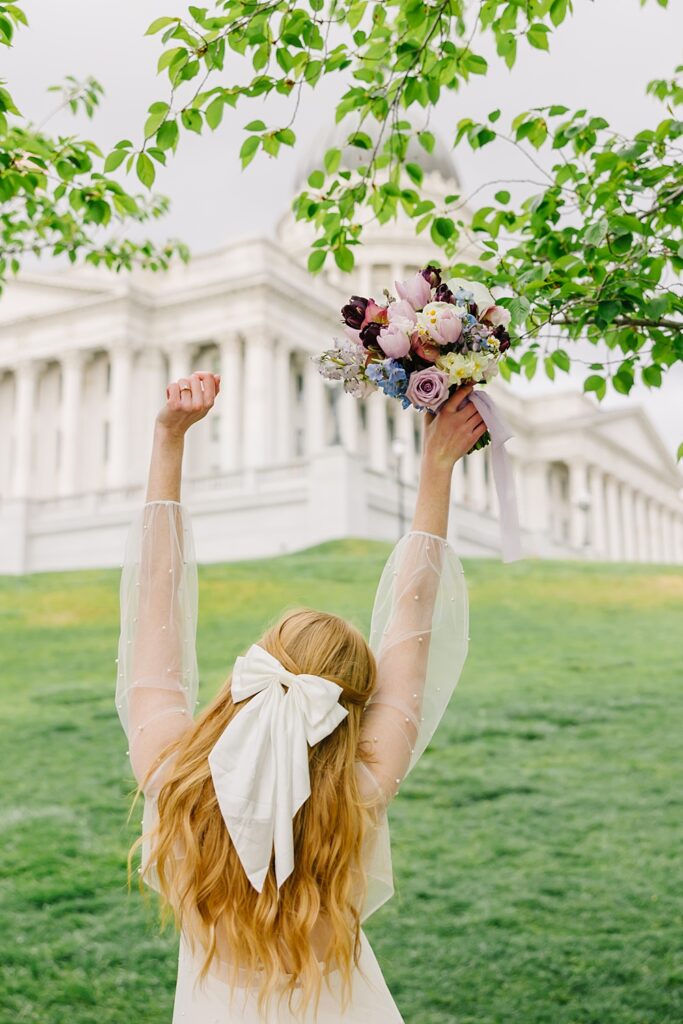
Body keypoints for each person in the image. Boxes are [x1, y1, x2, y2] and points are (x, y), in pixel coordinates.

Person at [115, 369, 486, 1023]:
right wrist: (437, 470)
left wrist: (169, 441)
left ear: (252, 674)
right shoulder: (358, 791)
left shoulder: (172, 777)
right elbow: (412, 626)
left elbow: (155, 605)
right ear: (353, 707)